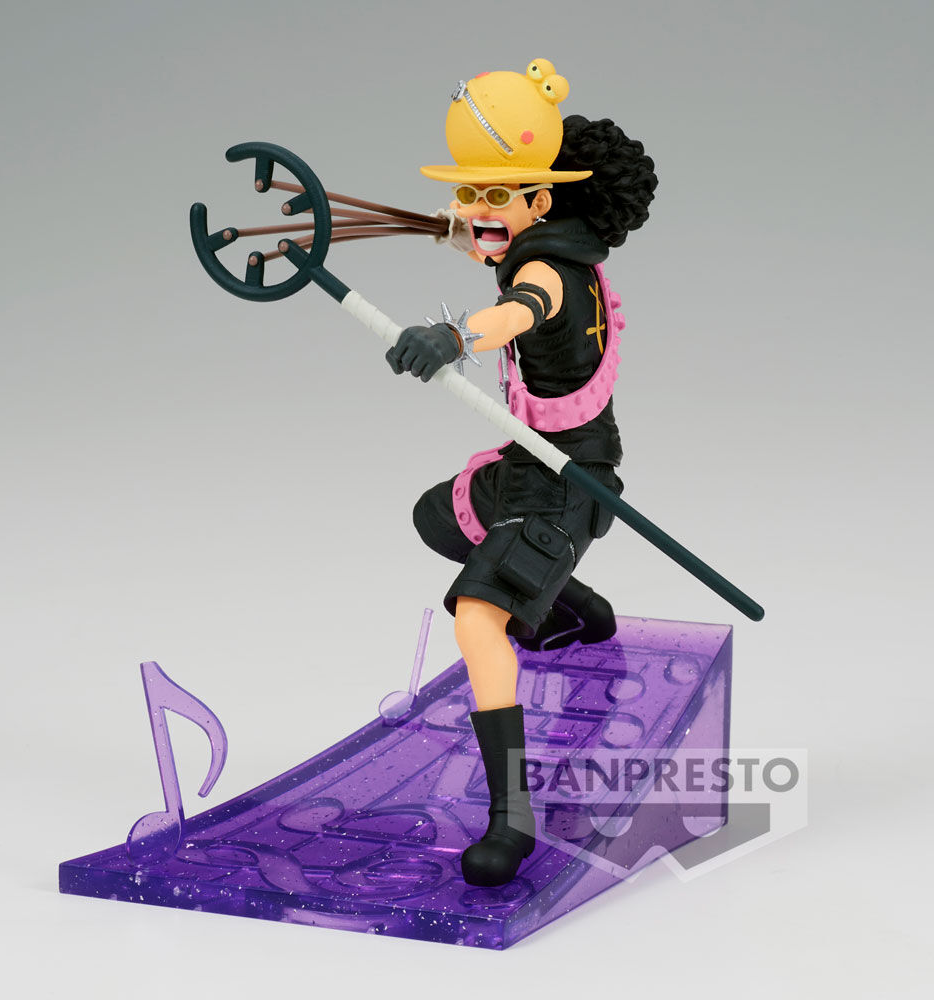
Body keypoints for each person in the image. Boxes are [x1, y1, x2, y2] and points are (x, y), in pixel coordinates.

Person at [386, 59, 657, 887]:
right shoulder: (555, 239)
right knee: (440, 517)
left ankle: (511, 817)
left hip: (568, 477)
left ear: (541, 201)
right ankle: (576, 607)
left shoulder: (545, 273)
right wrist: (452, 223)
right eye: (471, 193)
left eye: (496, 195)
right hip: (533, 458)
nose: (478, 212)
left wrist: (452, 338)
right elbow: (482, 241)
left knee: (478, 617)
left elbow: (518, 309)